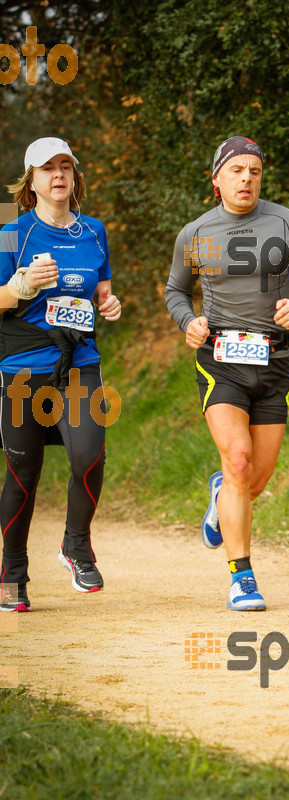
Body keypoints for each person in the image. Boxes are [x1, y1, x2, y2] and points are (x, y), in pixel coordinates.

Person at [165, 136, 289, 611]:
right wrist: (189, 321)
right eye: (236, 170)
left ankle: (223, 496)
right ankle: (242, 579)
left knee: (252, 482)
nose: (246, 178)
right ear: (216, 178)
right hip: (221, 360)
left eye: (254, 171)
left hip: (275, 362)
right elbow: (176, 290)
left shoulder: (288, 222)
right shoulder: (195, 233)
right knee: (237, 459)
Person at [0, 137, 121, 612]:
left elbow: (100, 291)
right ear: (30, 180)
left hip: (78, 362)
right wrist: (22, 284)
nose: (58, 175)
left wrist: (107, 304)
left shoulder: (93, 231)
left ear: (75, 176)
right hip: (22, 369)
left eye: (65, 166)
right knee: (22, 474)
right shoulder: (12, 233)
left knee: (90, 456)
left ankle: (76, 544)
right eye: (47, 168)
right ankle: (11, 573)